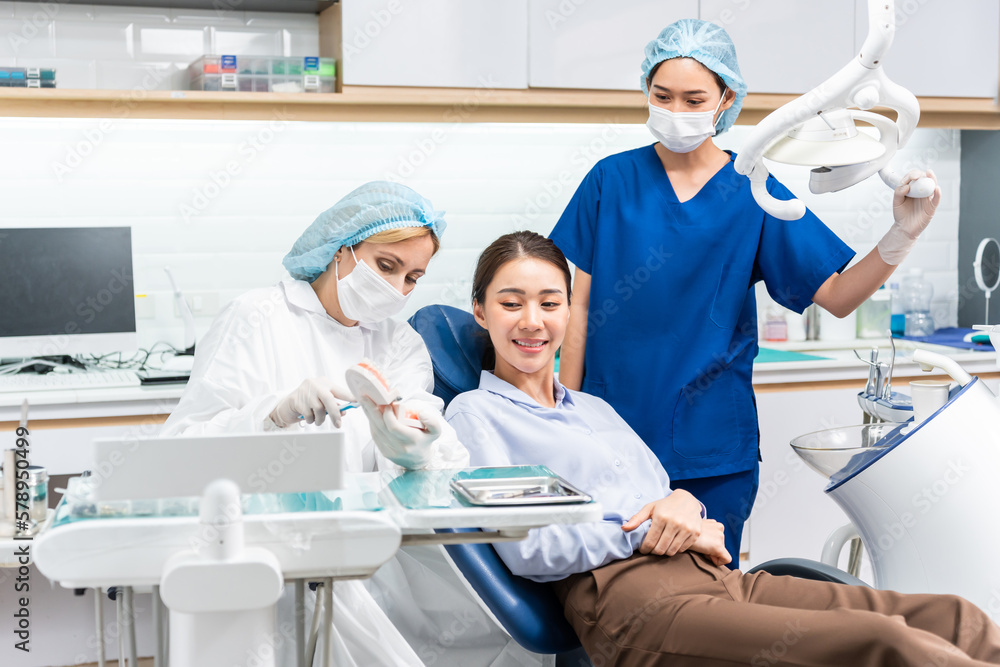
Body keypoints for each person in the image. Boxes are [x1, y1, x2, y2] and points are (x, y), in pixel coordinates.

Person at [445, 231, 1000, 666]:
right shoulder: (476, 415)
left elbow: (666, 500)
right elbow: (529, 547)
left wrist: (688, 505)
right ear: (480, 311)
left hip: (718, 580)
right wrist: (651, 527)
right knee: (886, 645)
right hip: (635, 606)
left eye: (549, 302)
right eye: (511, 303)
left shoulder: (594, 409)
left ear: (569, 311)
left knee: (951, 618)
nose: (533, 322)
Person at [548, 19, 942, 563]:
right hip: (610, 435)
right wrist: (568, 420)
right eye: (662, 96)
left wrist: (903, 233)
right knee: (607, 609)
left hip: (710, 452)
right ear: (646, 90)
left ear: (725, 99)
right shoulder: (608, 181)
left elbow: (838, 295)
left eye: (693, 98)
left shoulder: (752, 187)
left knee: (703, 611)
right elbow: (579, 306)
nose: (675, 110)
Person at [162, 182, 537, 667]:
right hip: (265, 545)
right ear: (342, 250)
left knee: (489, 633)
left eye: (413, 277)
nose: (397, 289)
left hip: (374, 547)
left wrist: (412, 444)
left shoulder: (400, 344)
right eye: (386, 266)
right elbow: (181, 450)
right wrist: (271, 415)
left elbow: (439, 460)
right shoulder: (257, 318)